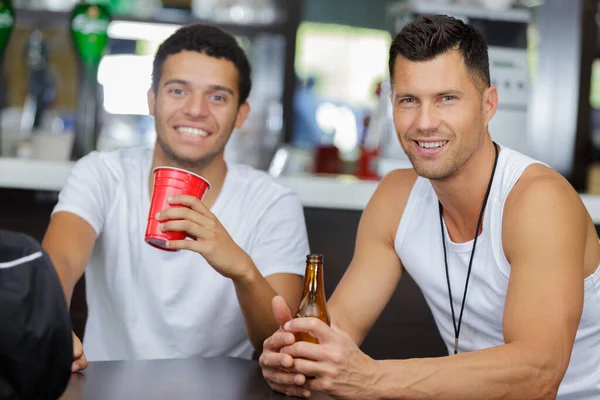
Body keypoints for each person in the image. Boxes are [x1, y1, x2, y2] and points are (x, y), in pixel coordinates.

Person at [259, 14, 600, 399]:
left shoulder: (538, 201)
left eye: (446, 99)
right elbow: (340, 328)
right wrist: (300, 357)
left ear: (489, 104)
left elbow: (538, 376)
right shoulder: (396, 198)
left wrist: (371, 378)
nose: (424, 122)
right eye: (409, 100)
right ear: (391, 105)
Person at [42, 24, 309, 372]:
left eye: (217, 97)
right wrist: (50, 325)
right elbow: (59, 259)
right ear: (152, 100)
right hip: (105, 387)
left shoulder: (274, 203)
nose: (196, 110)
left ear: (241, 113)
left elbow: (279, 340)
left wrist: (241, 269)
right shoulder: (102, 174)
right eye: (178, 90)